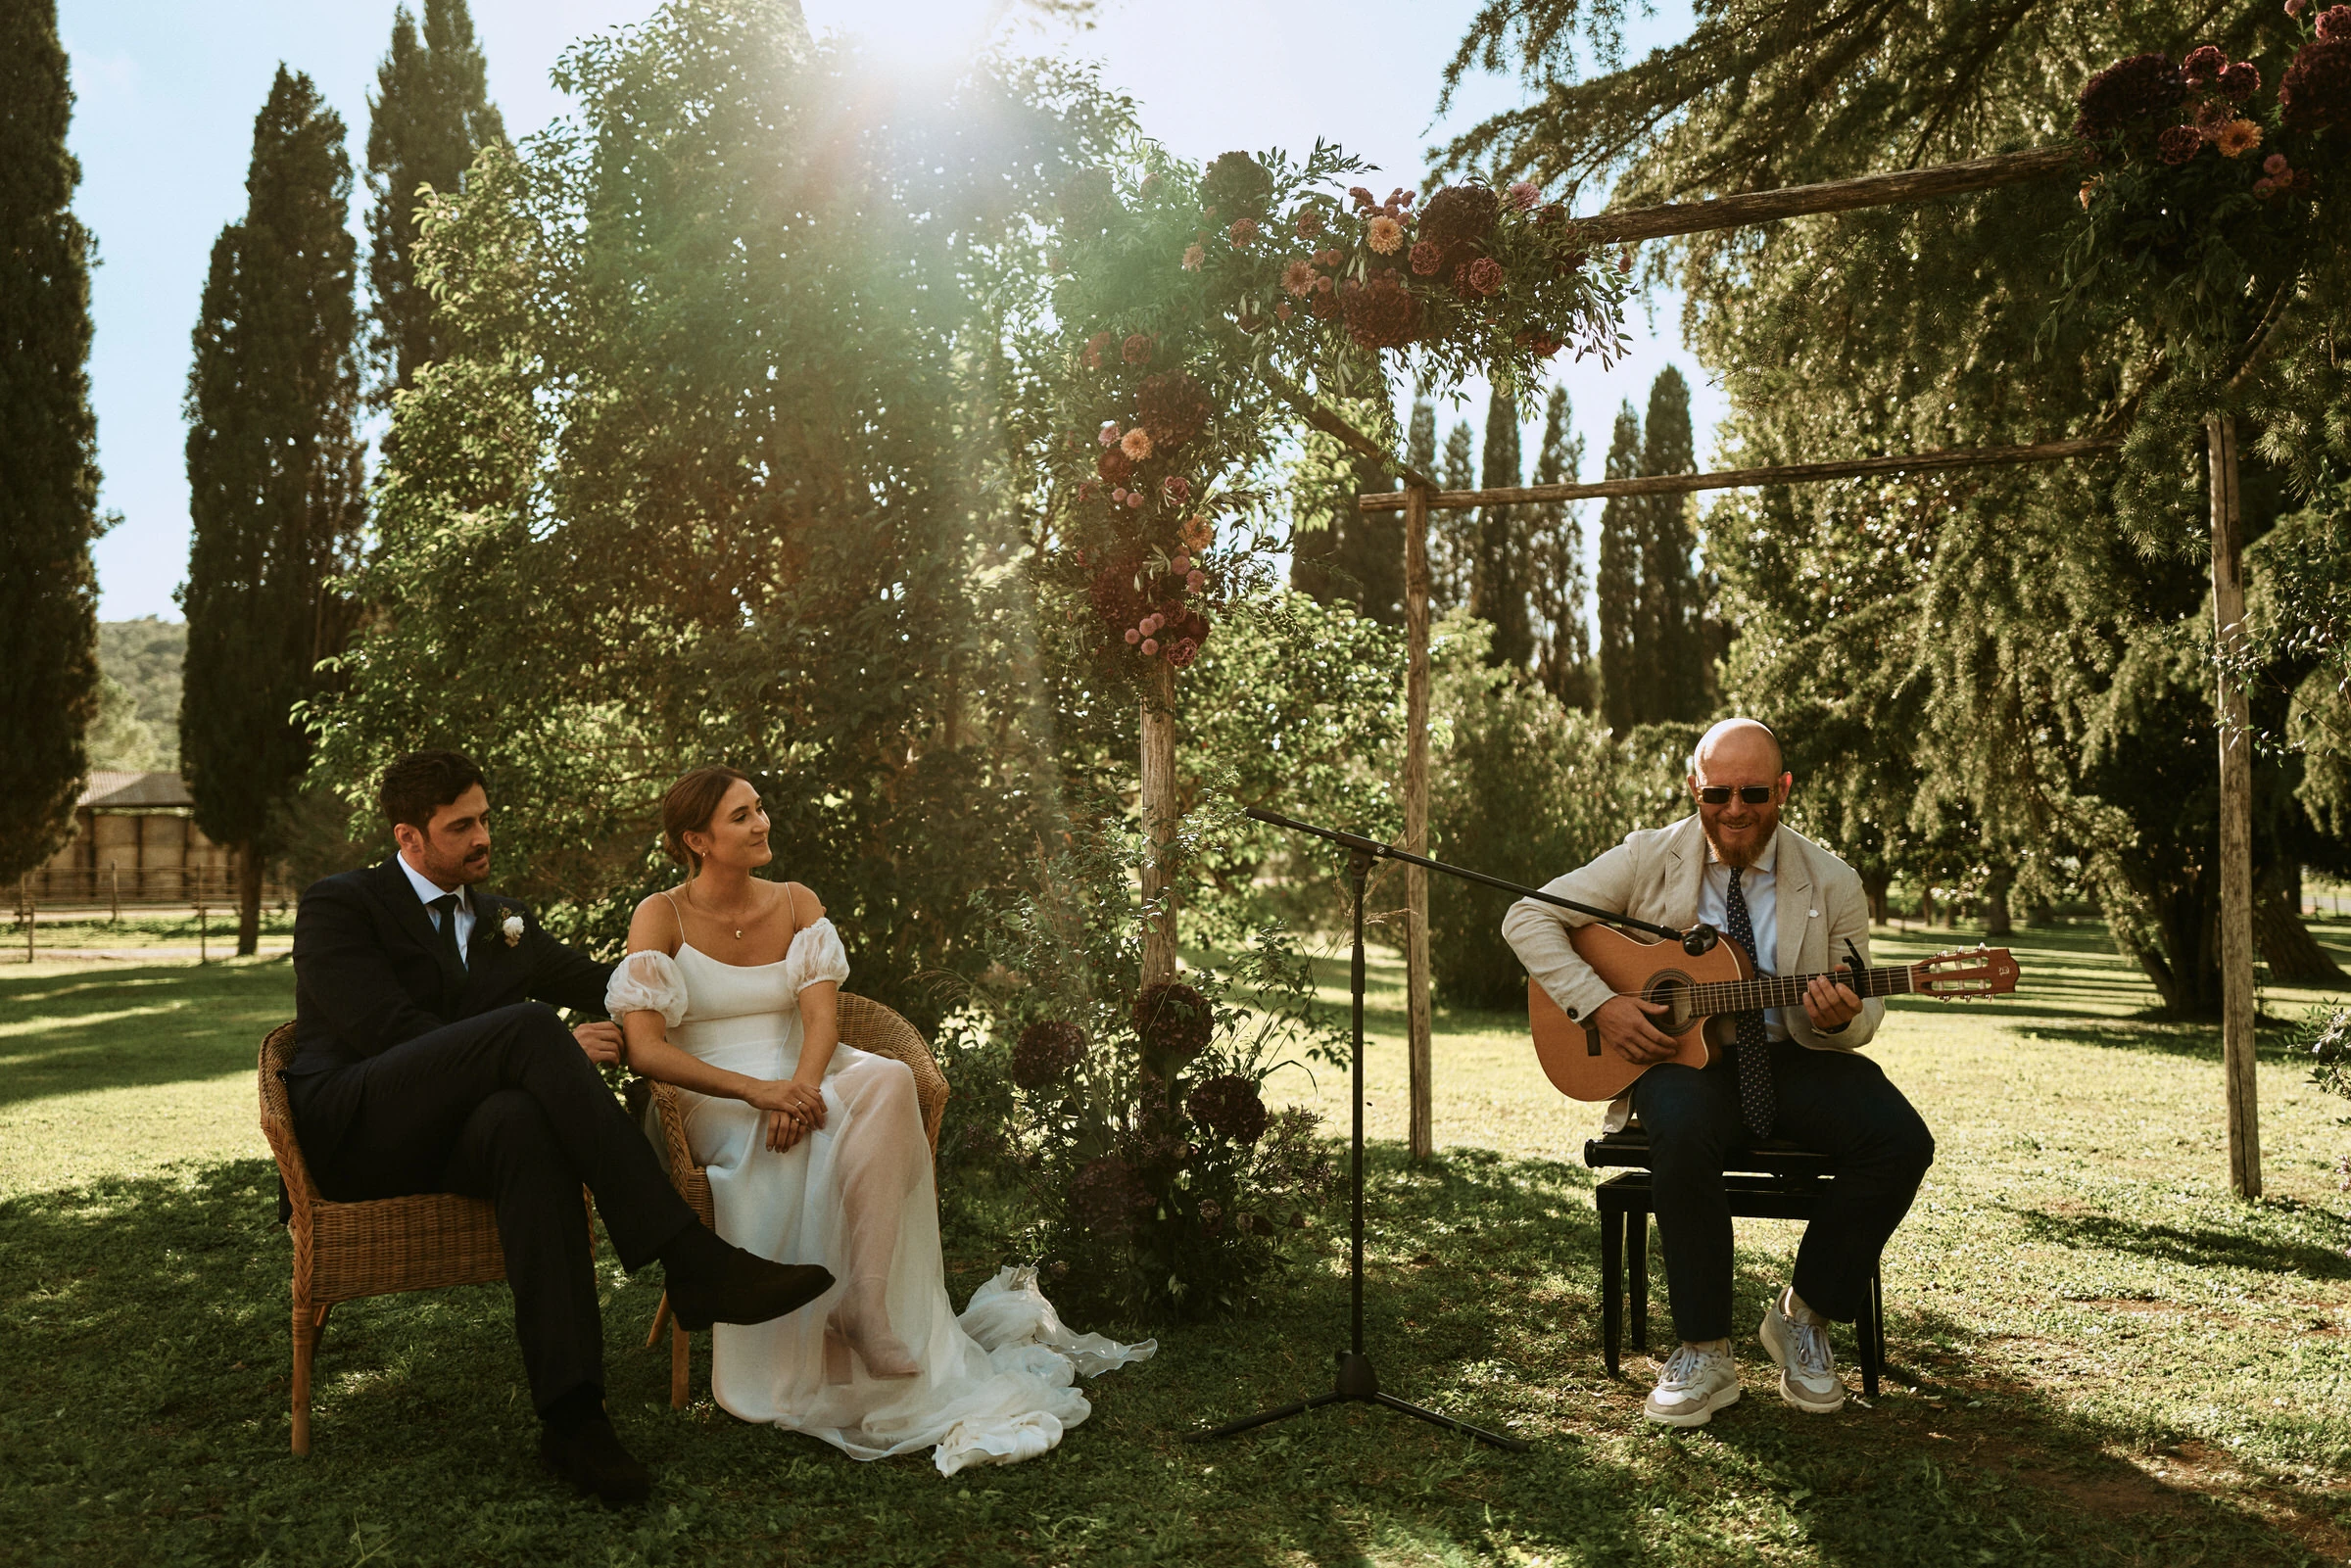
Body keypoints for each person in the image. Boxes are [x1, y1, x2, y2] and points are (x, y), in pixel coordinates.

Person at [285, 750, 835, 1504]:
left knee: (523, 1124)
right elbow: (389, 1031)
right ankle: (688, 1254)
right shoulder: (339, 904)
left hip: (460, 1137)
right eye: (460, 826)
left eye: (483, 817)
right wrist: (527, 1045)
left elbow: (612, 985)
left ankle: (575, 1419)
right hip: (356, 1131)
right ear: (408, 837)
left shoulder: (502, 918)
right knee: (533, 1032)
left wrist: (743, 980)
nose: (482, 836)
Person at [605, 766, 1152, 1473]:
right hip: (711, 1095)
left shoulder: (797, 901)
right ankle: (825, 1333)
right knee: (832, 1130)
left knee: (891, 1077)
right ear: (697, 840)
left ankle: (862, 1303)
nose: (762, 822)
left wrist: (799, 1086)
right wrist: (759, 1092)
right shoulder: (662, 914)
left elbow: (822, 1021)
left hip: (805, 1069)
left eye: (760, 807)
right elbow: (646, 1049)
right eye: (742, 816)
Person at [1501, 718, 1934, 1427]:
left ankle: (1803, 1313)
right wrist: (1602, 1005)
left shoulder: (1833, 881)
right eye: (1719, 793)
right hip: (1679, 1061)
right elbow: (1527, 917)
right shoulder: (1648, 855)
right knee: (1681, 1120)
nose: (1736, 809)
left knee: (1900, 1136)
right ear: (1694, 789)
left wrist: (1836, 1016)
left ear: (1783, 789)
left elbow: (1863, 1010)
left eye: (1755, 792)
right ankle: (1703, 1349)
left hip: (1792, 1056)